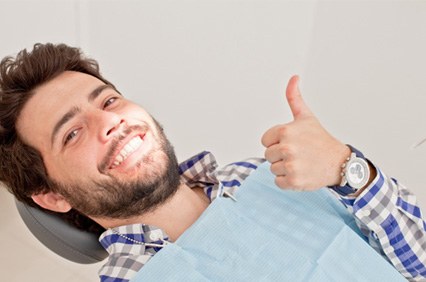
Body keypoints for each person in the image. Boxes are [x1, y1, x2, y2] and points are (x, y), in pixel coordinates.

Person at [0, 43, 424, 281]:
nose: (111, 121)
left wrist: (350, 171)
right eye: (72, 133)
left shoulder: (269, 172)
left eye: (108, 100)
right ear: (53, 195)